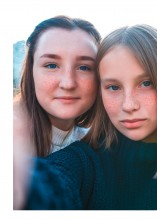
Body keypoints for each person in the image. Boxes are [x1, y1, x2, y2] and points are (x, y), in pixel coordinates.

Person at [14, 24, 157, 210]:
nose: (128, 105)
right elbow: (49, 184)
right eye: (113, 87)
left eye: (146, 83)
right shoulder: (84, 159)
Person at [15, 15, 101, 156]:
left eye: (84, 67)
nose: (68, 83)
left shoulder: (101, 148)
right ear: (32, 72)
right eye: (52, 65)